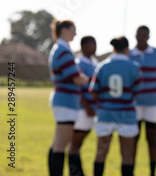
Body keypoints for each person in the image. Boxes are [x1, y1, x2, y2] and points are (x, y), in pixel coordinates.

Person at [90, 36, 142, 176]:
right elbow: (136, 92)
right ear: (126, 49)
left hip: (105, 114)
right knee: (127, 156)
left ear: (113, 48)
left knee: (101, 154)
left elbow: (94, 92)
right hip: (126, 115)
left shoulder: (102, 67)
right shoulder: (134, 67)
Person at [48, 19, 89, 176]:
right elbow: (76, 78)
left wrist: (81, 77)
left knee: (57, 145)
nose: (76, 33)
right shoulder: (63, 50)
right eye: (73, 29)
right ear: (64, 30)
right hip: (65, 101)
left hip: (64, 101)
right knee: (60, 146)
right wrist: (84, 78)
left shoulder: (60, 48)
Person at [129, 25, 156, 176]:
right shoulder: (129, 54)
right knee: (133, 139)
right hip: (135, 104)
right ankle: (130, 171)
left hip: (154, 103)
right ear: (135, 36)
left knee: (152, 139)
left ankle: (152, 172)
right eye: (139, 34)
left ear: (149, 37)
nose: (142, 37)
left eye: (145, 35)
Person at [68, 35, 98, 176]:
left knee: (78, 144)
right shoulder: (79, 63)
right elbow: (76, 88)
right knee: (75, 144)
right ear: (84, 46)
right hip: (82, 110)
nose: (95, 47)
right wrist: (86, 106)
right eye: (92, 44)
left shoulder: (94, 63)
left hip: (92, 110)